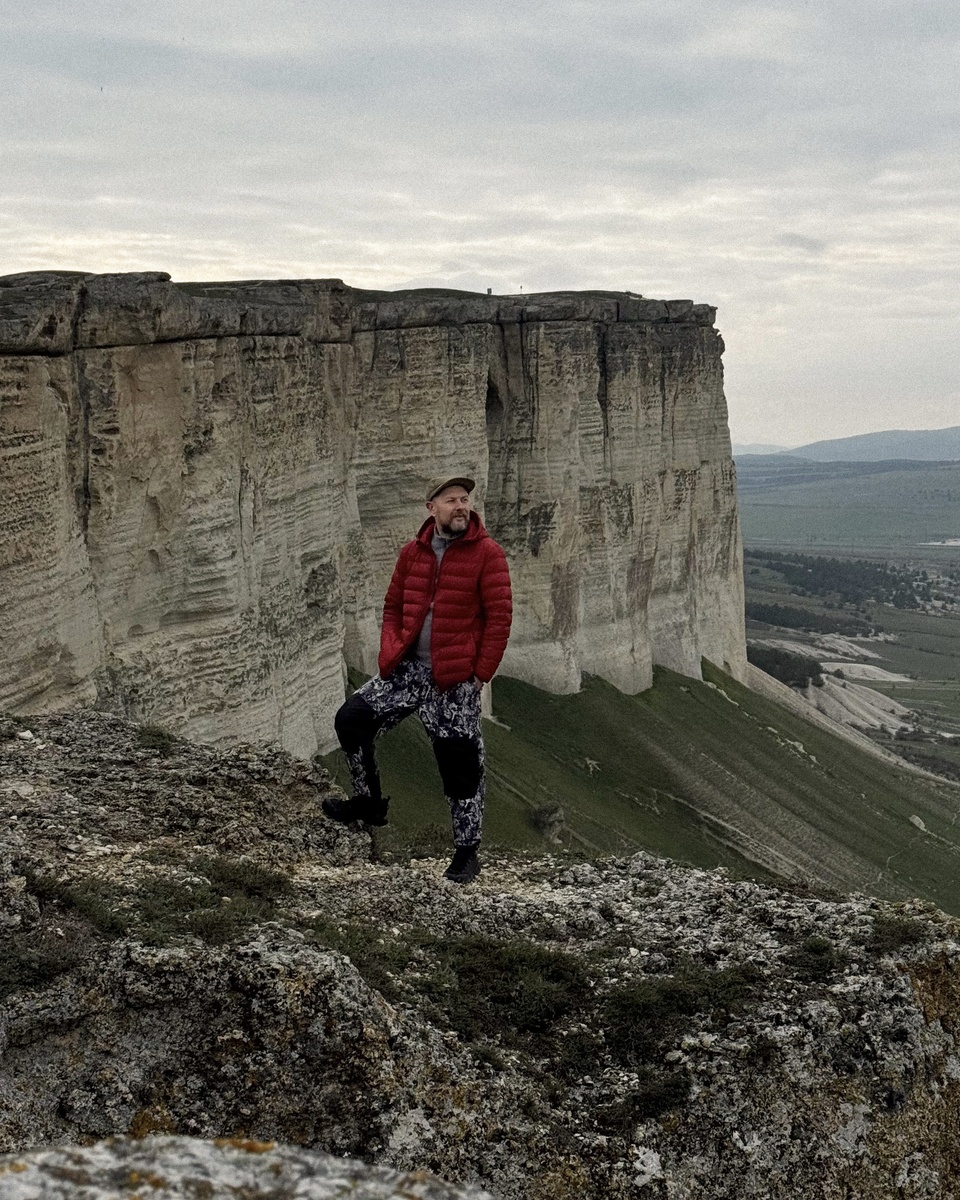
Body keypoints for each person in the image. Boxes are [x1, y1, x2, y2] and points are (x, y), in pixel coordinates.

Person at [323, 476, 512, 884]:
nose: (460, 506)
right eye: (451, 501)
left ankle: (466, 851)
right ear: (432, 508)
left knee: (459, 762)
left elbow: (499, 619)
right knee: (351, 720)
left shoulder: (488, 554)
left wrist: (479, 675)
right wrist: (391, 649)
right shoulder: (413, 552)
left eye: (464, 500)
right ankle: (367, 802)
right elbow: (393, 605)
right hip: (407, 670)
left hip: (453, 680)